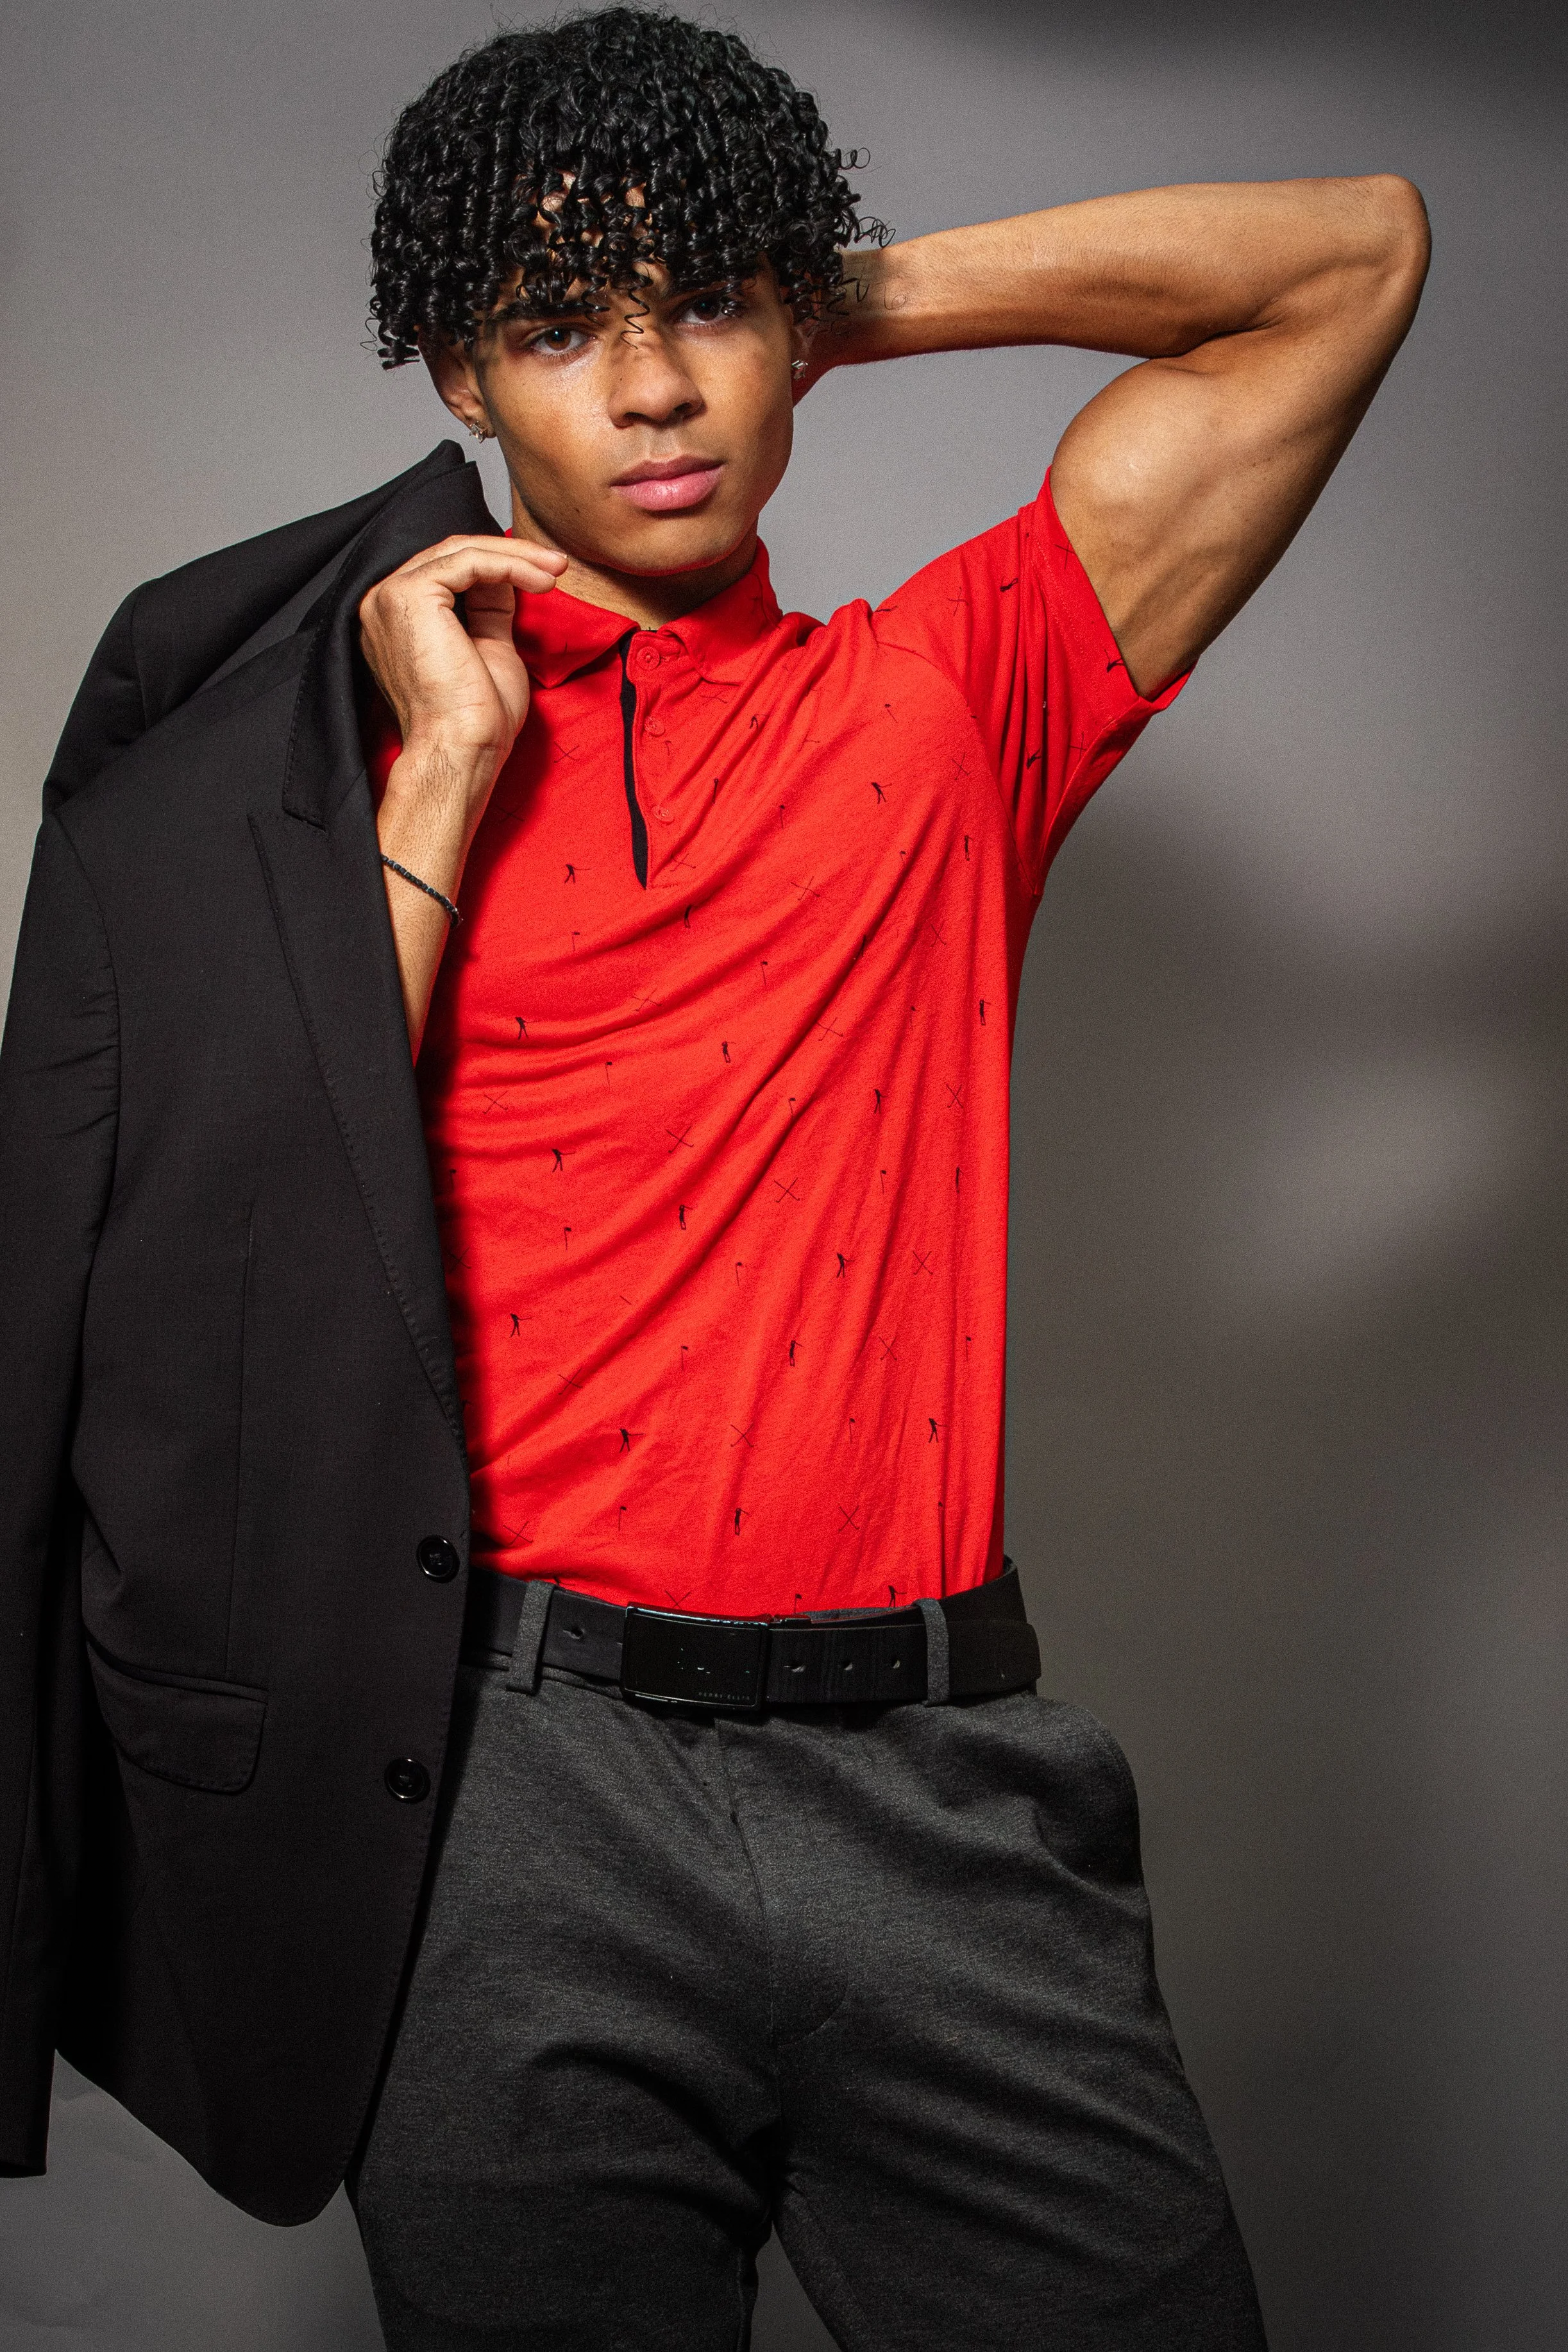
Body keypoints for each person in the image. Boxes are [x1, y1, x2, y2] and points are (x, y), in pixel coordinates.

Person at [0, 7, 1427, 2346]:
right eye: (561, 328)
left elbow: (1348, 257)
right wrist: (440, 789)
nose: (650, 389)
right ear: (461, 380)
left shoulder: (951, 696)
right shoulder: (317, 782)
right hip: (491, 1814)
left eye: (705, 311)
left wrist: (818, 285)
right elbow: (227, 1243)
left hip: (938, 1790)